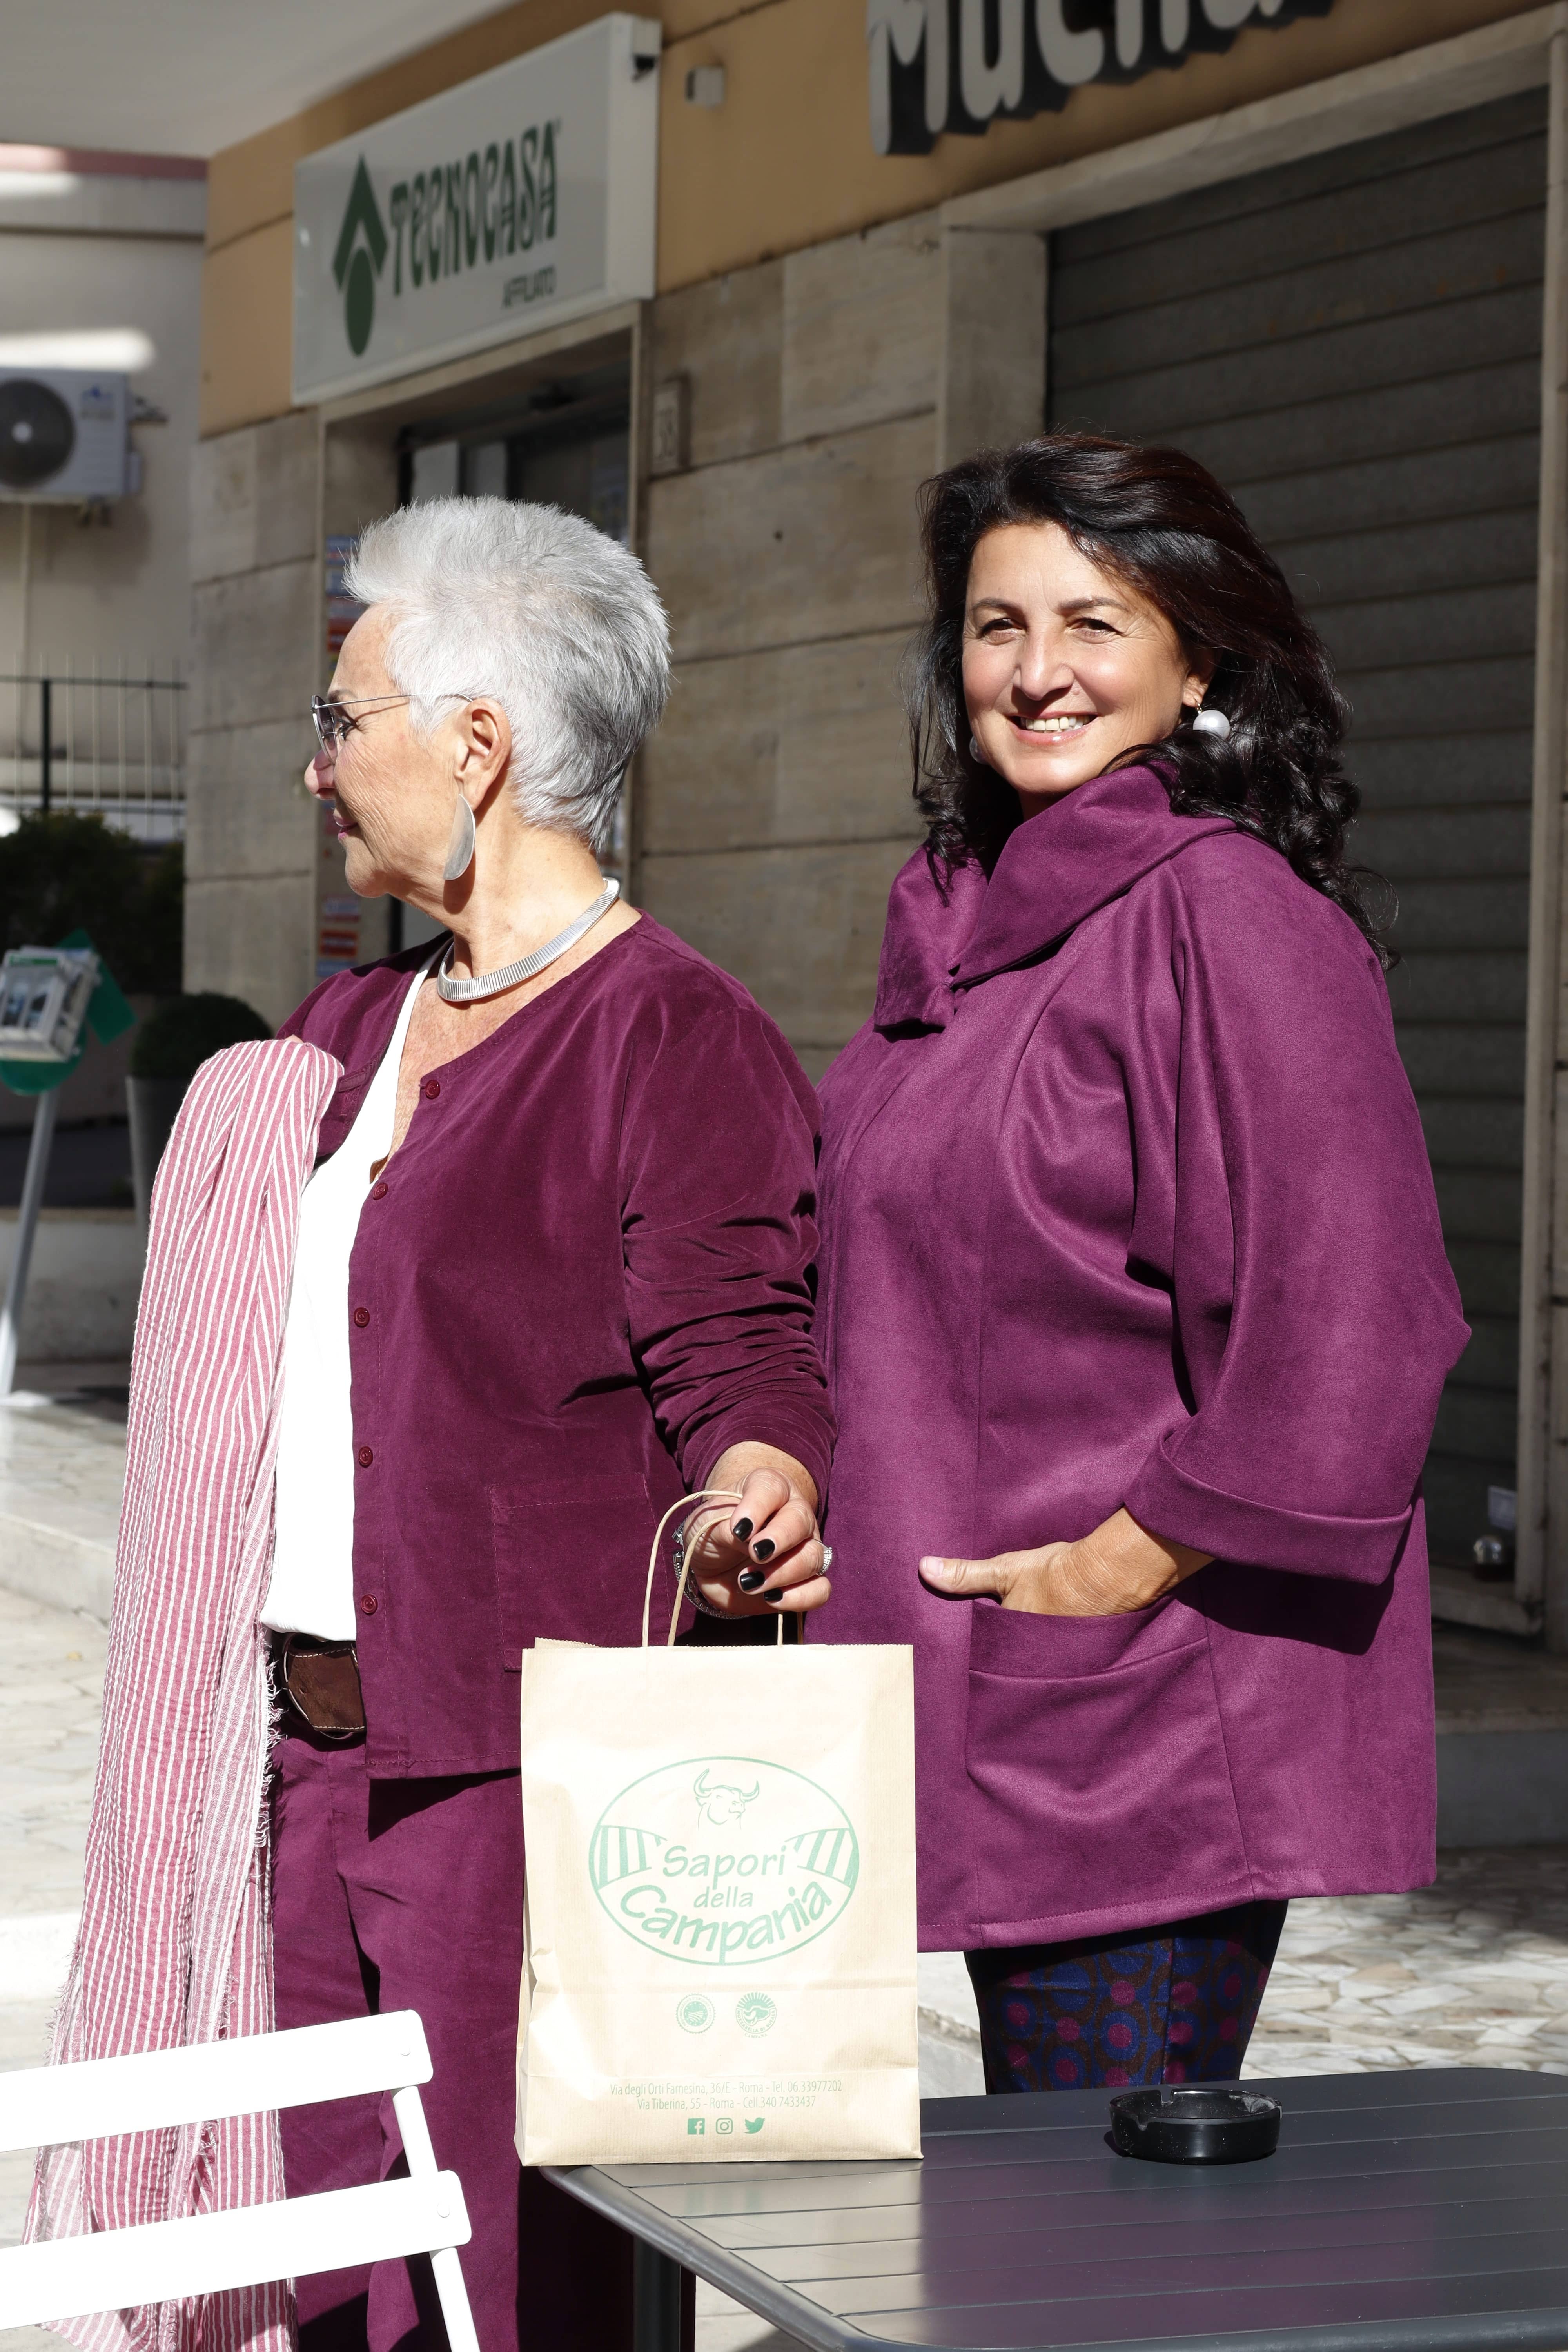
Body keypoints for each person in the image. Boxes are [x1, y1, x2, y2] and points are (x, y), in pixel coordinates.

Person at [814, 432, 1468, 2095]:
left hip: (1142, 1713)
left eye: (1094, 625)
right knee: (1042, 2244)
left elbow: (1359, 1316)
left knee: (1097, 2251)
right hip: (977, 1697)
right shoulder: (962, 930)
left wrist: (1117, 1564)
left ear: (1196, 663)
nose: (1038, 675)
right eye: (995, 626)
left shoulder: (1229, 915)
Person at [267, 496, 835, 2350]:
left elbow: (739, 1345)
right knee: (318, 2276)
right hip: (307, 1773)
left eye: (344, 722)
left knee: (518, 2300)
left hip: (512, 1801)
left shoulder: (671, 1034)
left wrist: (763, 1480)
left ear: (478, 744)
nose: (315, 768)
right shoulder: (345, 1027)